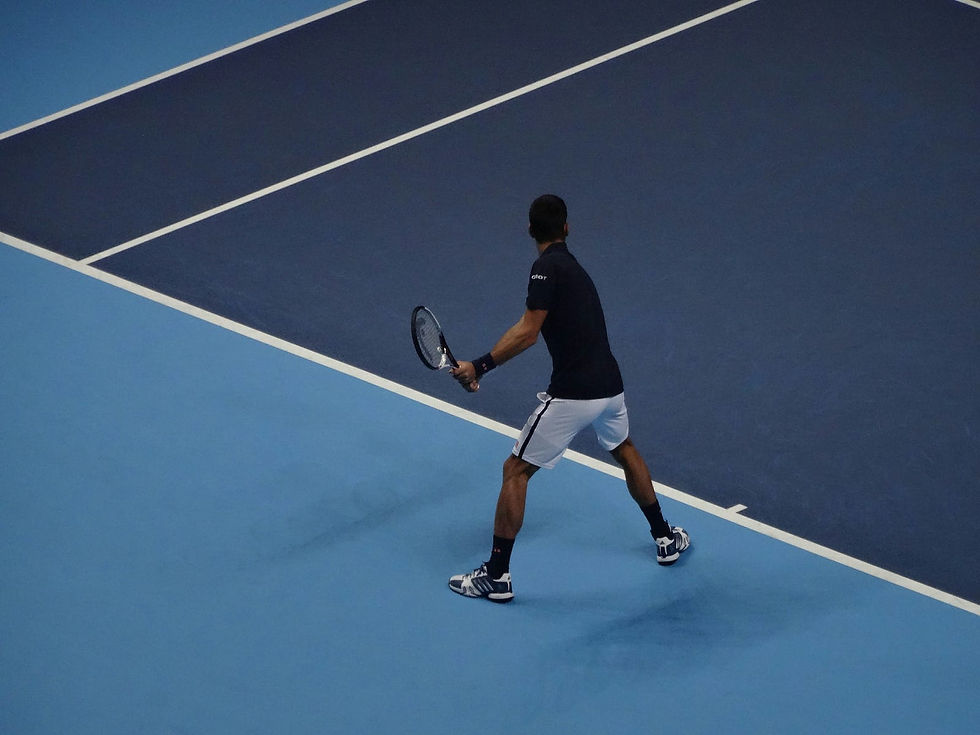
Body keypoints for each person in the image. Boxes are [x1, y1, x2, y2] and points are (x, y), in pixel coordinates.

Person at [448, 194, 689, 603]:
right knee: (624, 447)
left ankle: (497, 574)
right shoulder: (574, 267)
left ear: (530, 231)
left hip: (574, 393)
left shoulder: (544, 269)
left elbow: (528, 331)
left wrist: (481, 366)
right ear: (567, 228)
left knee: (515, 471)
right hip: (610, 387)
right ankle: (665, 537)